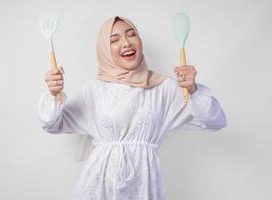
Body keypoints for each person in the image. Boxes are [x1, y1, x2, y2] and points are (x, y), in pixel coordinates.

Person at [38, 16, 227, 200]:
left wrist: (192, 89)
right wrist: (54, 95)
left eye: (131, 34)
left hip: (144, 185)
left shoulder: (164, 88)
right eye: (114, 39)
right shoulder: (94, 91)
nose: (127, 43)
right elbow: (52, 125)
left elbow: (215, 121)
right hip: (98, 185)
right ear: (104, 49)